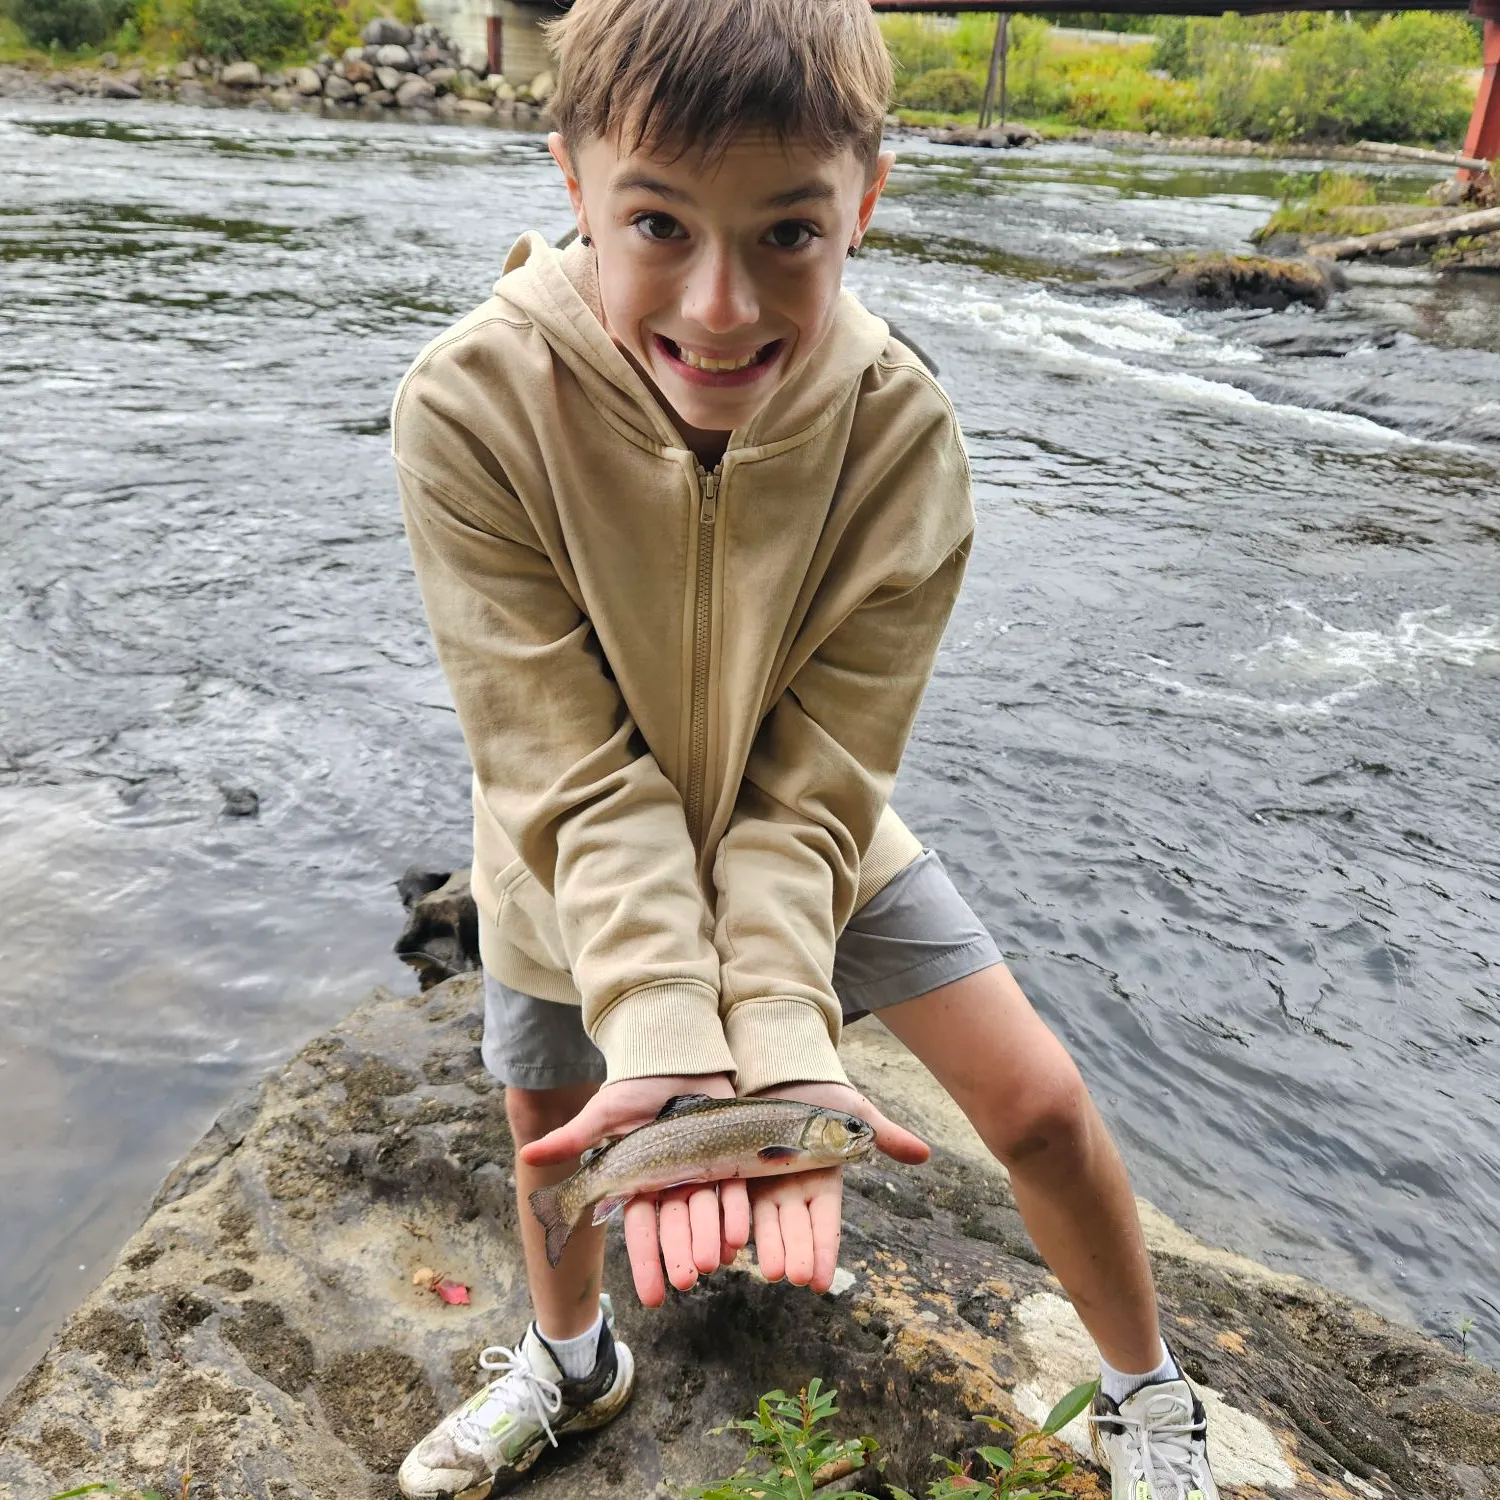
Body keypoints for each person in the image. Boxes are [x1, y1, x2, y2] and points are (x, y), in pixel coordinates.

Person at [391, 1, 1221, 1496]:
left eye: (788, 234)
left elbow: (825, 767)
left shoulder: (903, 433)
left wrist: (774, 1034)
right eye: (657, 222)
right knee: (556, 1132)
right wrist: (662, 1027)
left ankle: (1143, 1393)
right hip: (561, 848)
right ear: (570, 178)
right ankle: (571, 1363)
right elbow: (562, 759)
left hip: (817, 824)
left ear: (867, 204)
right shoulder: (468, 403)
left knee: (1035, 1102)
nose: (719, 306)